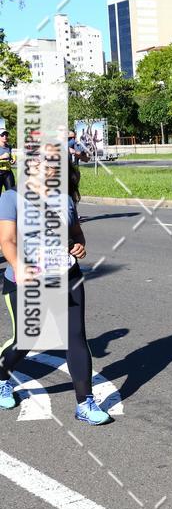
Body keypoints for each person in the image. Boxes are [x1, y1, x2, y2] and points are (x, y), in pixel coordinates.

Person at [0, 150, 110, 425]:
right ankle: (2, 376)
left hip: (67, 276)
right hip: (26, 281)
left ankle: (85, 403)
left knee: (75, 337)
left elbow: (76, 234)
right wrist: (19, 265)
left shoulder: (65, 200)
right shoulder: (11, 197)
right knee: (27, 339)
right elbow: (8, 241)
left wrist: (79, 245)